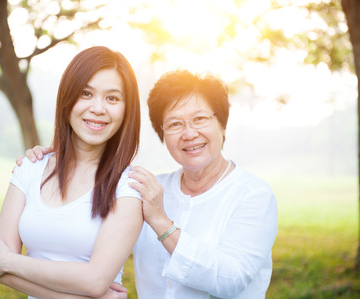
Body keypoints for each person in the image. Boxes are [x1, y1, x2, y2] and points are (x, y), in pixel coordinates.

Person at [21, 70, 279, 298]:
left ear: (222, 124)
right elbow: (81, 234)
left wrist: (160, 221)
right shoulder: (146, 188)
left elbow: (230, 280)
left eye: (200, 119)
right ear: (162, 134)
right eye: (175, 124)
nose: (189, 134)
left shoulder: (252, 195)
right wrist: (51, 162)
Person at [0, 46, 143, 299]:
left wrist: (9, 262)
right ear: (67, 98)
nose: (98, 108)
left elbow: (95, 281)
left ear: (126, 110)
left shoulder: (129, 186)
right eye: (86, 93)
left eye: (112, 98)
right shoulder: (30, 168)